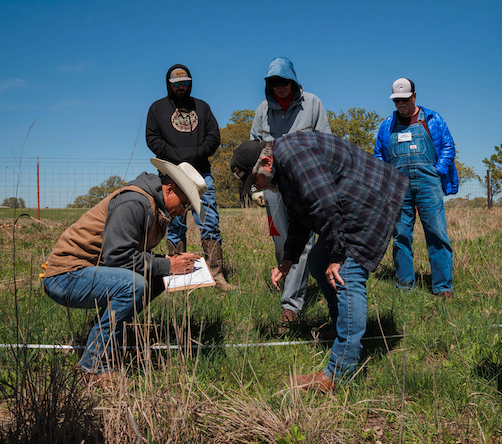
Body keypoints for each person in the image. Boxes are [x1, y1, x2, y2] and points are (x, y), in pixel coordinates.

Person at [231, 133, 408, 392]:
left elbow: (324, 203)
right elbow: (301, 217)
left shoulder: (294, 156)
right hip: (349, 205)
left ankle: (341, 370)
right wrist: (289, 259)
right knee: (317, 262)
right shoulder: (284, 169)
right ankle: (342, 327)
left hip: (371, 200)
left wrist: (338, 257)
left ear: (266, 162)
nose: (256, 187)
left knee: (346, 274)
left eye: (254, 180)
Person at [43, 159, 207, 386]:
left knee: (155, 279)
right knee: (134, 285)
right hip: (66, 277)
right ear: (169, 189)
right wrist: (167, 265)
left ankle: (99, 337)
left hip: (90, 272)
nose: (183, 212)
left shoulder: (154, 207)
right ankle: (94, 367)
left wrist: (170, 263)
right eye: (185, 203)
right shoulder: (134, 202)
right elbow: (118, 257)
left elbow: (128, 257)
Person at [249, 57, 331, 327]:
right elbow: (254, 147)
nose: (280, 87)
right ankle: (286, 277)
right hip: (274, 189)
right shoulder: (263, 110)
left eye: (284, 82)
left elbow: (326, 143)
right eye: (273, 83)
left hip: (303, 186)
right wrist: (256, 185)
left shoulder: (313, 104)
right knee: (282, 242)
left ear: (293, 81)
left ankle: (291, 304)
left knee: (304, 243)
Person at [146, 63, 235, 291]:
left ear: (191, 83)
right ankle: (178, 278)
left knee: (210, 223)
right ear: (169, 84)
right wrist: (175, 155)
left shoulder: (202, 108)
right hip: (171, 176)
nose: (181, 87)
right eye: (176, 84)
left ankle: (217, 276)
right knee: (174, 225)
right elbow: (152, 139)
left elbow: (214, 137)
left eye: (185, 83)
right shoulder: (157, 109)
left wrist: (195, 153)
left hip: (201, 175)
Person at [374, 78, 458, 297]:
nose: (400, 104)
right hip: (398, 186)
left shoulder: (432, 119)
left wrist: (438, 171)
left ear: (414, 96)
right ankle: (404, 285)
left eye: (404, 99)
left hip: (429, 184)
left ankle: (442, 287)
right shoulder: (387, 125)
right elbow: (379, 155)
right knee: (401, 235)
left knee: (437, 233)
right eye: (396, 100)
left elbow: (448, 146)